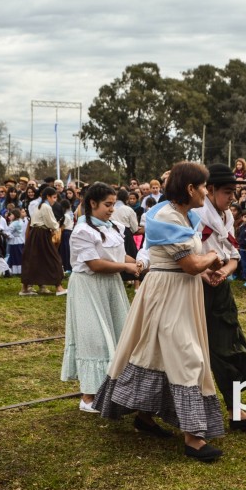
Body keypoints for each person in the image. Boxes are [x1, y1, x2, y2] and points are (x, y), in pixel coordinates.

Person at [93, 162, 226, 462]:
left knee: (156, 352)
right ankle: (194, 438)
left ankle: (145, 416)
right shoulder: (168, 216)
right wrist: (212, 257)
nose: (207, 191)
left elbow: (183, 261)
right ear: (190, 189)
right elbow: (190, 263)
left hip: (176, 290)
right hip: (168, 294)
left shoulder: (181, 214)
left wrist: (206, 271)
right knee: (187, 355)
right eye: (204, 186)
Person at [193, 164, 246, 432]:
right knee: (187, 354)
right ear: (210, 190)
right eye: (227, 192)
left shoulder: (225, 219)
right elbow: (183, 257)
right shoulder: (195, 217)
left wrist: (223, 272)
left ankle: (236, 411)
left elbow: (234, 255)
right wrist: (204, 274)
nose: (231, 199)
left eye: (233, 193)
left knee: (229, 347)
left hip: (219, 289)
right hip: (192, 289)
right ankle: (151, 412)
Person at [61, 183, 139, 413]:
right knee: (93, 337)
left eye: (113, 204)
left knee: (117, 331)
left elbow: (115, 254)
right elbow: (94, 264)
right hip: (89, 285)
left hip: (110, 284)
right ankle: (88, 396)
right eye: (107, 204)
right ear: (92, 203)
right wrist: (126, 266)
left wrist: (135, 262)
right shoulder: (82, 231)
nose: (112, 209)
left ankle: (112, 389)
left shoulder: (112, 226)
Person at [21, 187, 67, 296]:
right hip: (42, 235)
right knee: (54, 258)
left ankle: (26, 288)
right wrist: (57, 227)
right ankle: (59, 287)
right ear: (48, 196)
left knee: (34, 260)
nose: (55, 200)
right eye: (54, 197)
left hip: (35, 234)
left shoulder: (39, 206)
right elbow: (51, 222)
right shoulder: (46, 206)